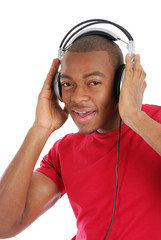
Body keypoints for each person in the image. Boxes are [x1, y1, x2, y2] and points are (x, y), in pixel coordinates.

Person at [0, 31, 161, 240]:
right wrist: (40, 128)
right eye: (67, 84)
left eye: (94, 82)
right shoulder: (63, 151)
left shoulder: (154, 121)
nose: (77, 97)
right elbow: (4, 225)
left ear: (121, 85)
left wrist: (133, 116)